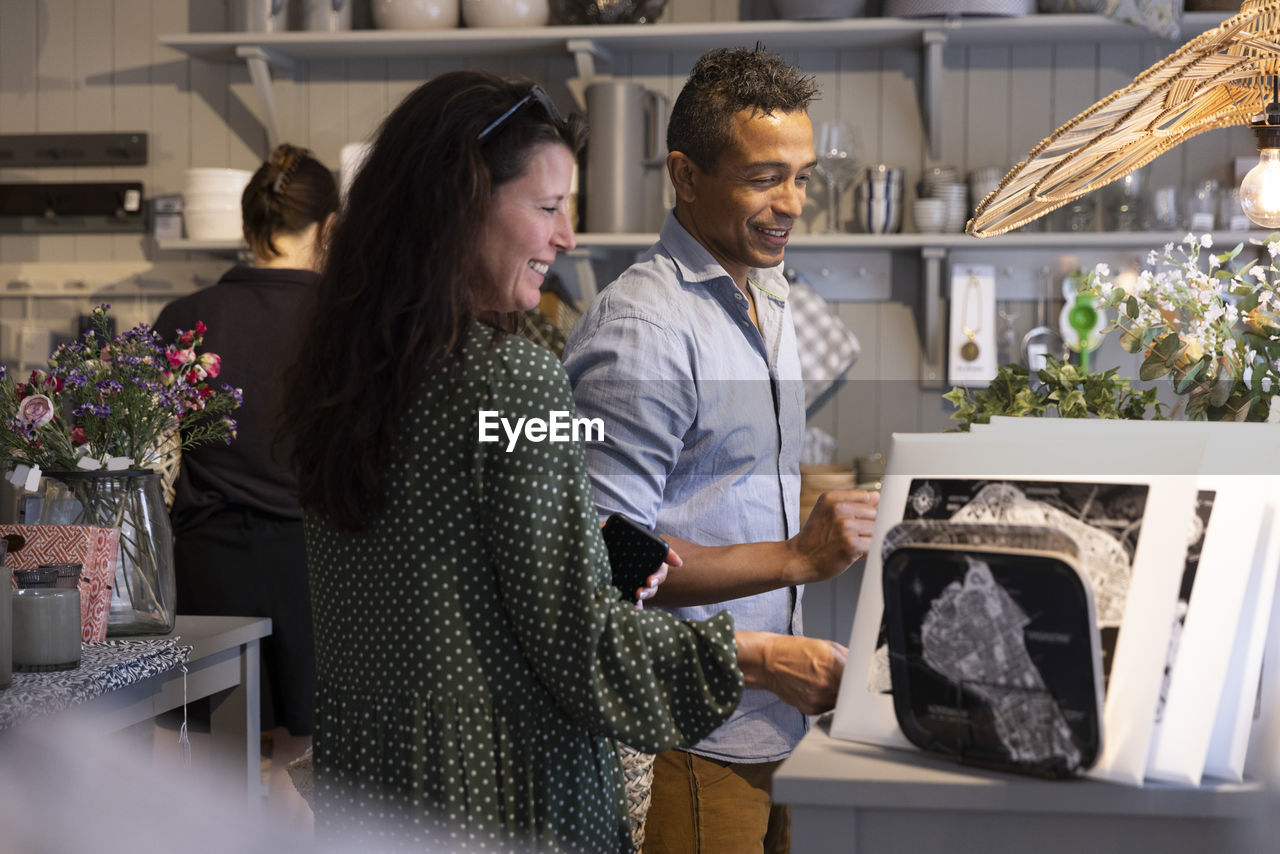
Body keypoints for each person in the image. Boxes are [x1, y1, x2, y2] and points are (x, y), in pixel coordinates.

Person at [281, 70, 744, 852]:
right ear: (460, 207)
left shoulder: (342, 379)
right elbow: (580, 639)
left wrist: (595, 537)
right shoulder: (512, 378)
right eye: (548, 207)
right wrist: (752, 659)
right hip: (497, 788)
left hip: (372, 784)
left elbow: (464, 540)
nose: (567, 237)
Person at [562, 46, 880, 853]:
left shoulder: (768, 294)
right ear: (686, 174)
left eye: (802, 176)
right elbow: (608, 557)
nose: (792, 204)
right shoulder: (643, 329)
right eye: (764, 177)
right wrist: (795, 557)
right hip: (687, 737)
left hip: (773, 728)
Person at [154, 143, 337, 806]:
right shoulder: (344, 321)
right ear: (331, 227)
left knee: (212, 777)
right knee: (295, 772)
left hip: (207, 568)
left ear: (247, 227)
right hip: (311, 572)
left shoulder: (185, 320)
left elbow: (160, 456)